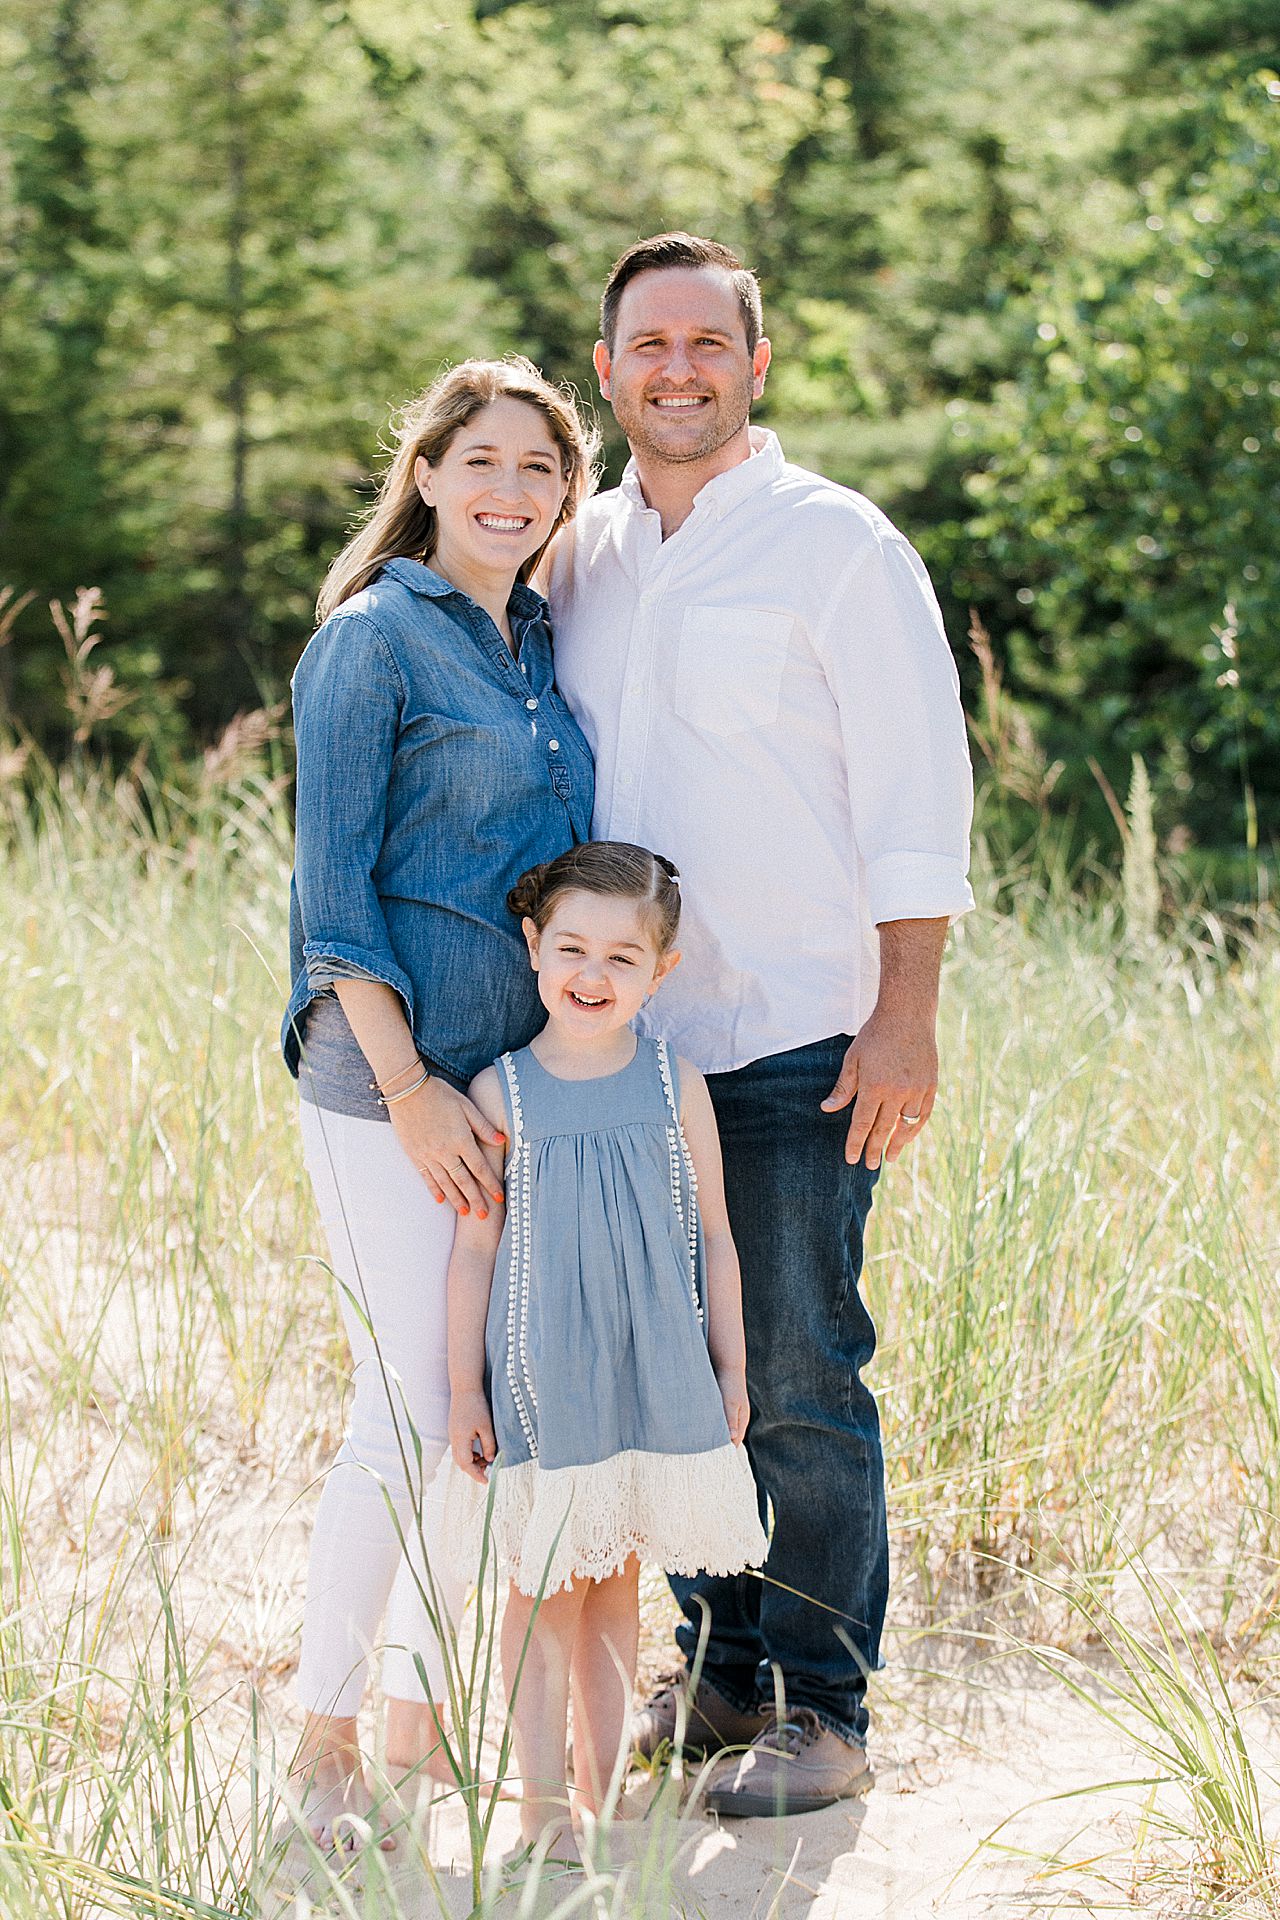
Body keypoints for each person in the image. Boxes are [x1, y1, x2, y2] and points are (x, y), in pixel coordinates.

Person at [544, 233, 975, 1816]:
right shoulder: (578, 555)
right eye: (645, 345)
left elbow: (921, 792)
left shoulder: (839, 546)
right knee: (683, 1373)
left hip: (799, 1032)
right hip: (632, 1049)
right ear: (608, 370)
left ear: (756, 364)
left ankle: (824, 1711)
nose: (676, 369)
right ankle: (720, 1676)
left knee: (797, 1366)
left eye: (706, 343)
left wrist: (907, 1015)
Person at [279, 357, 598, 1849]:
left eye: (540, 468)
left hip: (517, 1093)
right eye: (483, 460)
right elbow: (334, 909)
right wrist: (410, 1092)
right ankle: (323, 1741)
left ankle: (415, 1738)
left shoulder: (537, 643)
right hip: (386, 1090)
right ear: (426, 473)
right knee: (408, 1411)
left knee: (478, 1421)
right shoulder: (370, 645)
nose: (510, 491)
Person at [439, 841, 768, 1862]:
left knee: (617, 1587)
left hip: (647, 1375)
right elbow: (473, 1253)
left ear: (659, 972)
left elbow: (713, 1232)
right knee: (540, 1594)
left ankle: (600, 1800)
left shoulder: (675, 1084)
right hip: (546, 1381)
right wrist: (464, 1388)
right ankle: (538, 1815)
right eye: (572, 948)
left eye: (622, 958)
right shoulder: (502, 1095)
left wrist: (730, 1370)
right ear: (534, 949)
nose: (592, 974)